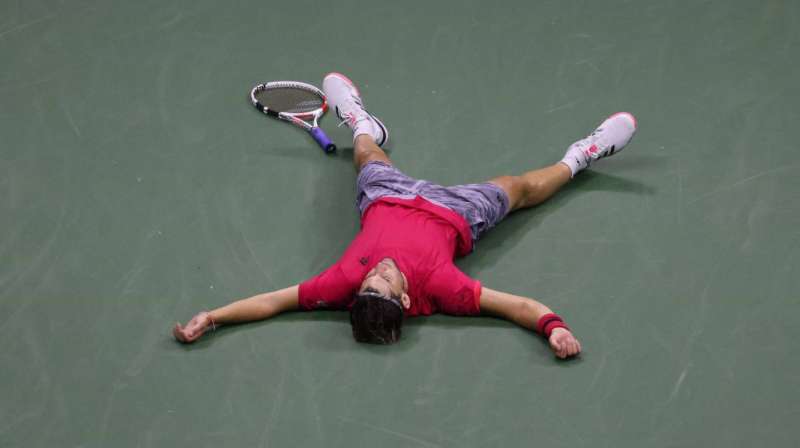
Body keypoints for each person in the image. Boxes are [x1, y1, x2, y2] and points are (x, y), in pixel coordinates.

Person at [173, 72, 637, 359]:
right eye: (384, 282)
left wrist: (212, 316)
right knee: (518, 189)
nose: (376, 272)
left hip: (386, 195)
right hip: (456, 212)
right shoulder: (444, 290)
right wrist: (554, 329)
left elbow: (271, 302)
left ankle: (360, 122)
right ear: (409, 302)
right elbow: (518, 307)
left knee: (366, 155)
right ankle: (584, 154)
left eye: (368, 282)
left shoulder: (341, 286)